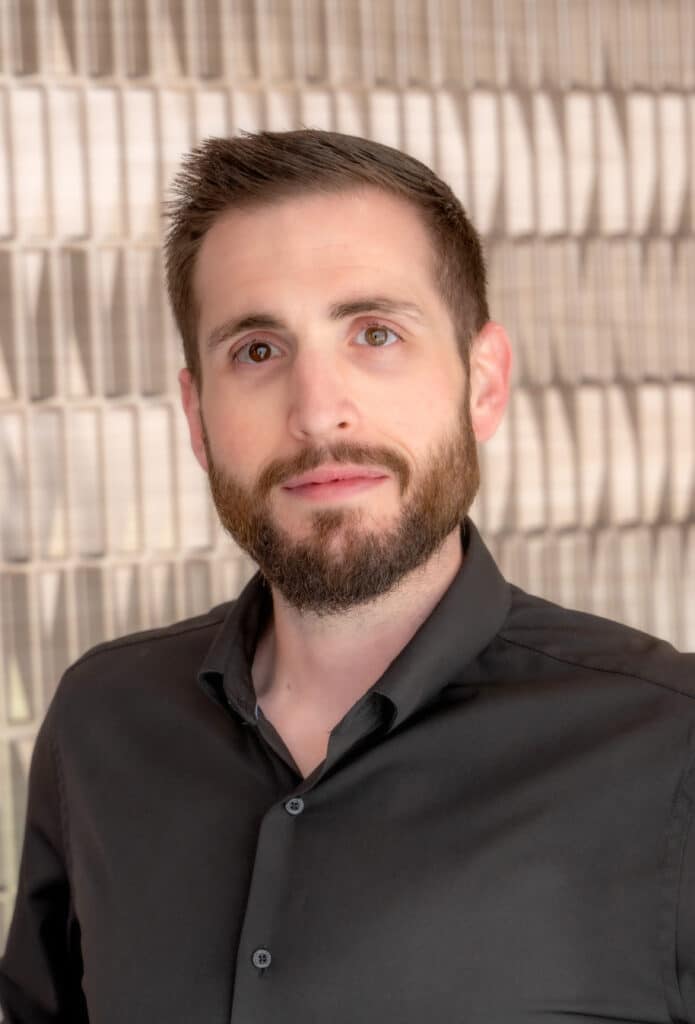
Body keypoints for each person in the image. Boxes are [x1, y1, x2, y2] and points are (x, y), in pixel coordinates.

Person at [0, 128, 693, 1024]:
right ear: (197, 418)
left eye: (375, 333)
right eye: (257, 350)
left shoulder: (669, 743)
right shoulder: (101, 721)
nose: (317, 411)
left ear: (482, 383)